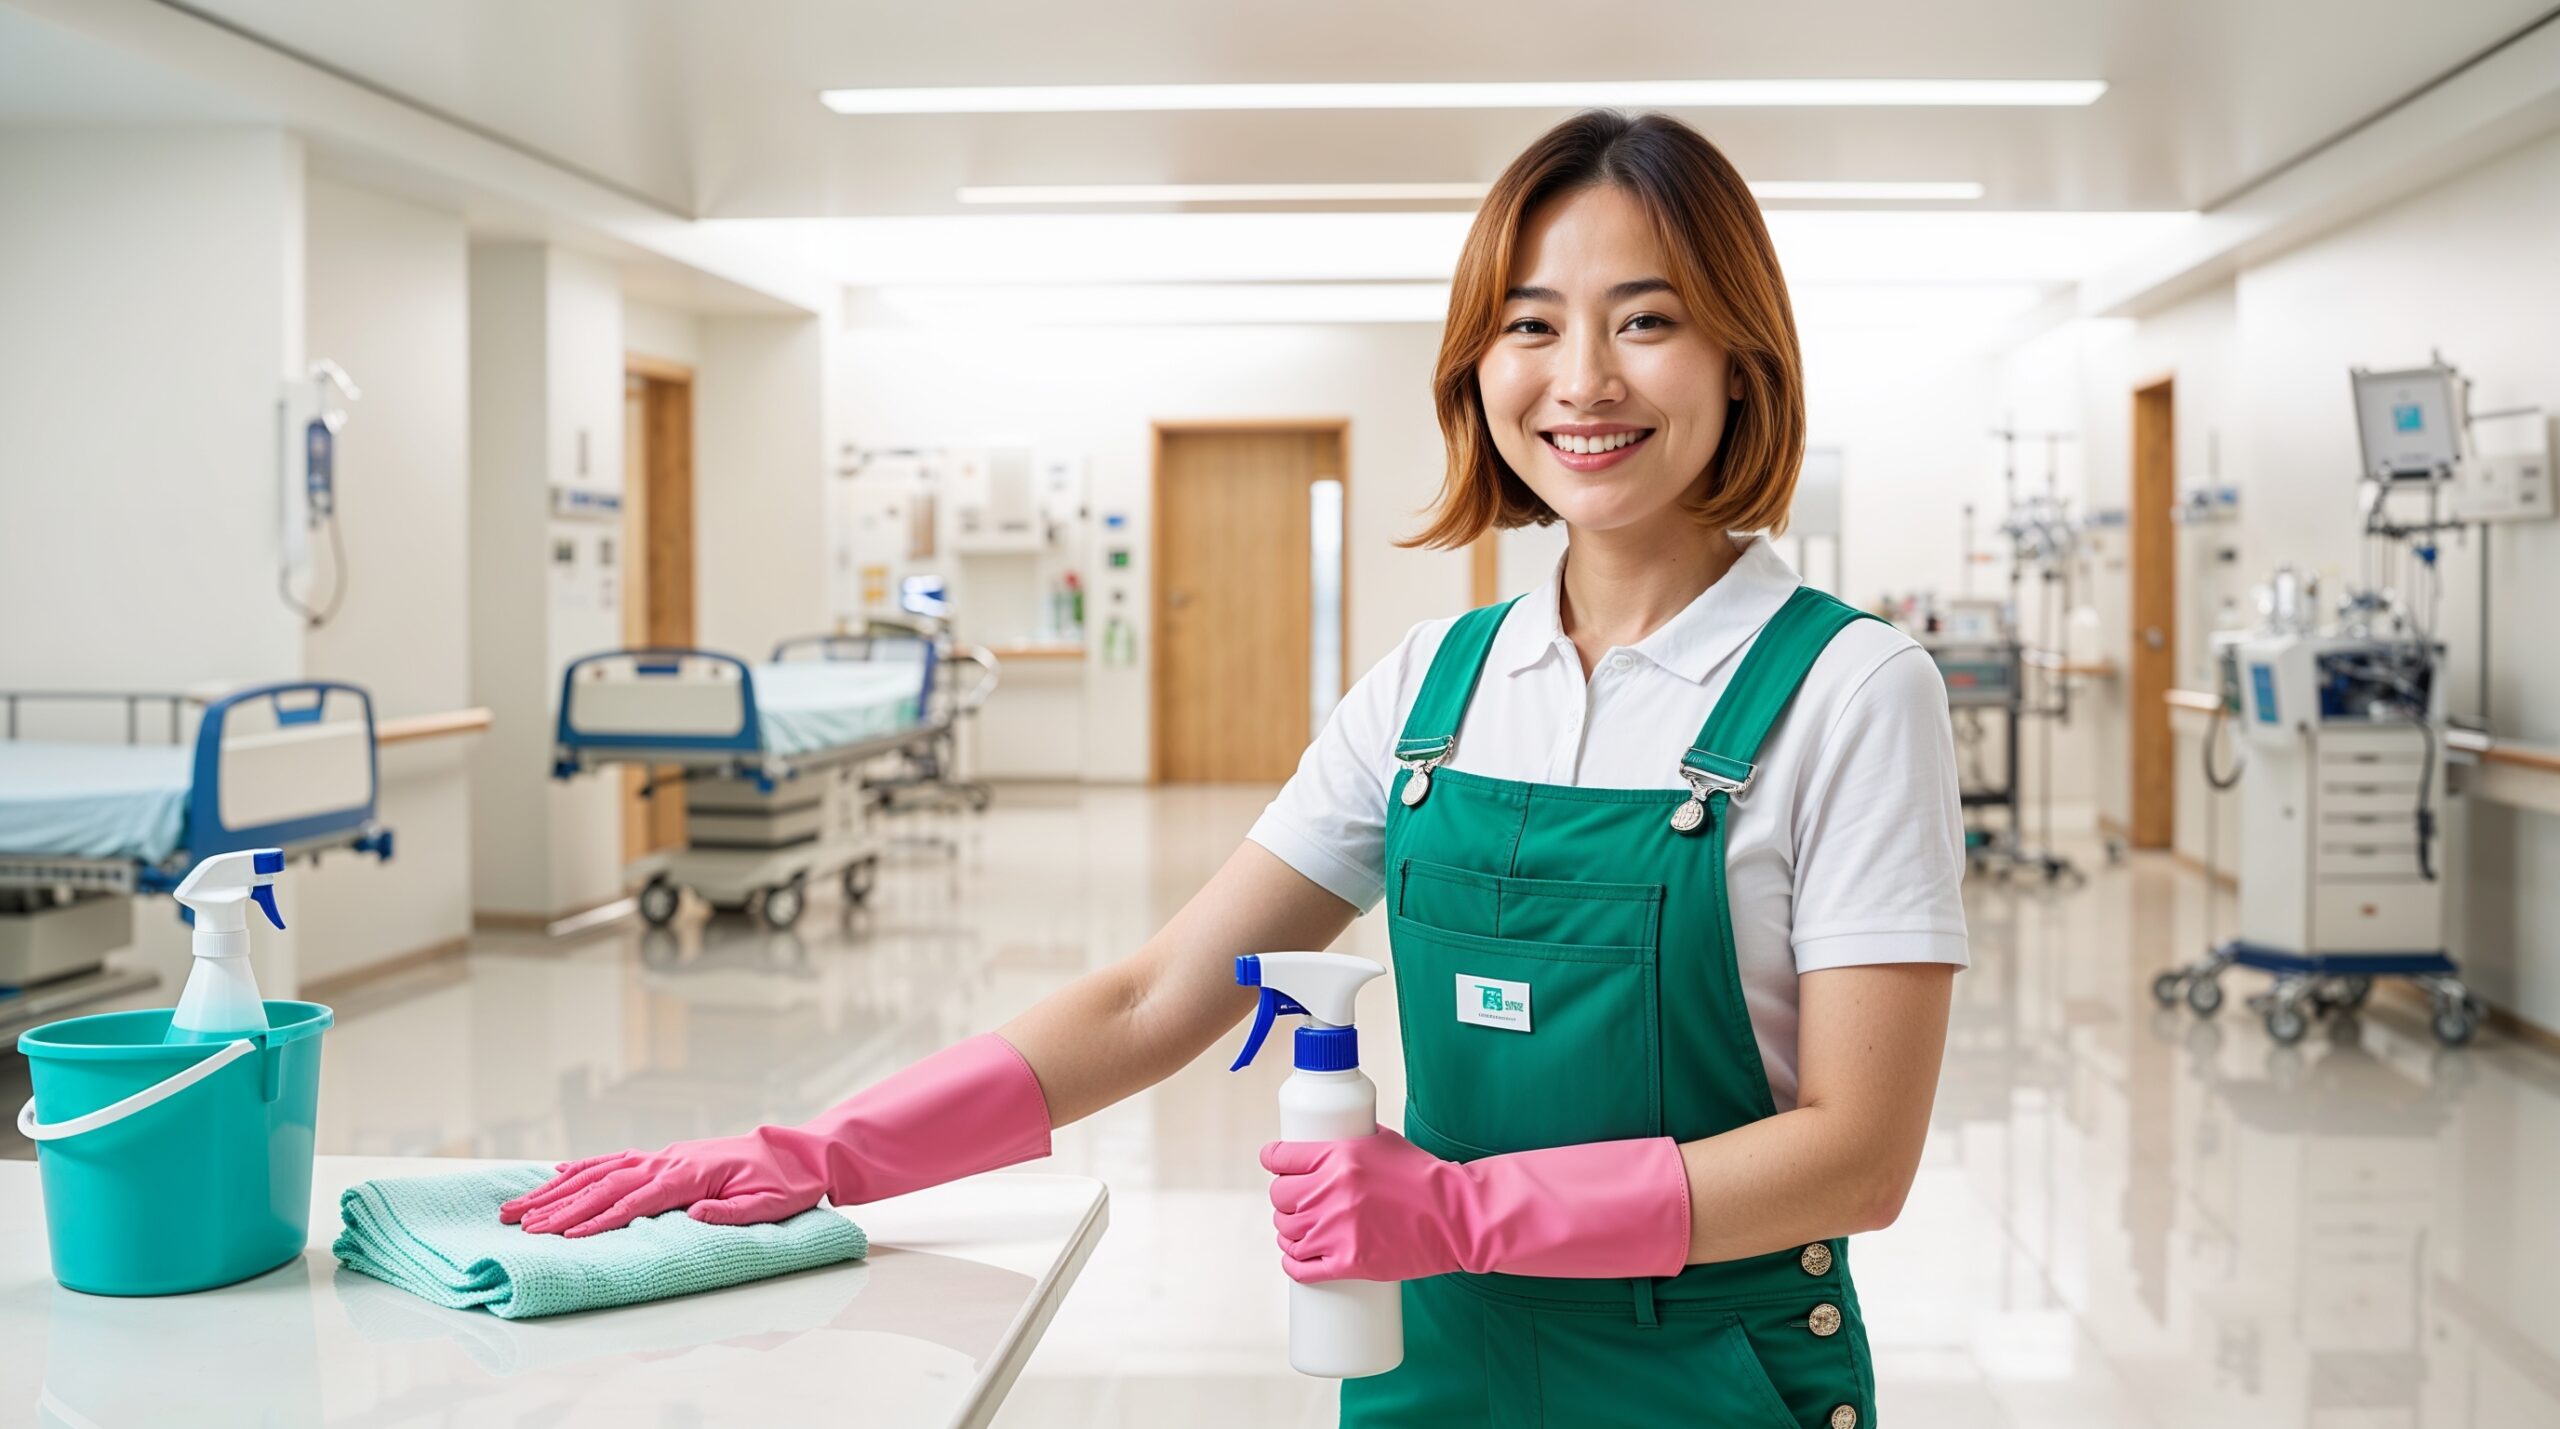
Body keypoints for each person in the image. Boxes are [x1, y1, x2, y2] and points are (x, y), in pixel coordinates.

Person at [501, 109, 1964, 1428]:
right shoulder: (1434, 692)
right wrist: (819, 1151)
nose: (1581, 377)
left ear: (1738, 356)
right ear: (1479, 362)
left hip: (1714, 1378)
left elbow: (1856, 1158)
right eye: (1531, 324)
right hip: (1426, 1360)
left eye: (1645, 319)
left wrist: (1458, 1207)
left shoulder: (1849, 691)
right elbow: (1156, 997)